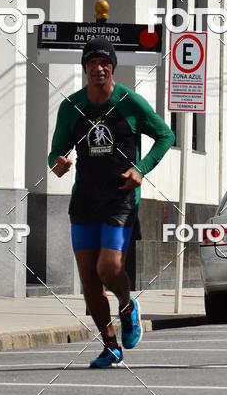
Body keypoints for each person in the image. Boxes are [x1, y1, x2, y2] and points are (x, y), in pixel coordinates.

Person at [48, 37, 175, 368]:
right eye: (92, 63)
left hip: (120, 198)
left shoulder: (130, 102)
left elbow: (166, 136)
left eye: (105, 63)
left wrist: (141, 169)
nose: (98, 68)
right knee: (89, 280)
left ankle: (127, 304)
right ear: (85, 68)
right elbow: (55, 152)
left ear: (113, 67)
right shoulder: (71, 107)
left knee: (109, 267)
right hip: (84, 201)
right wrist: (57, 163)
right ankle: (110, 345)